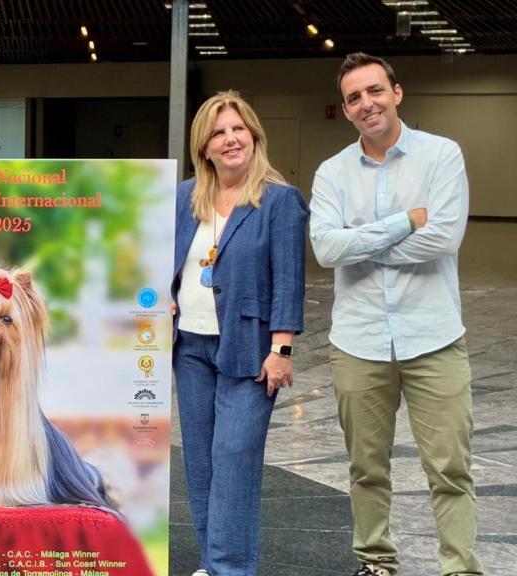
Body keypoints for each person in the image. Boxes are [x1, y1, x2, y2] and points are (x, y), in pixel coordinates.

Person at [310, 53, 482, 576]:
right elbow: (323, 249)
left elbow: (445, 237)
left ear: (397, 92)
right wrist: (406, 221)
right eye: (355, 98)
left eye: (375, 91)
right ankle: (377, 561)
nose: (367, 104)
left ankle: (460, 568)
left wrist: (359, 243)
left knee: (450, 468)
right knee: (366, 468)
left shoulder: (441, 156)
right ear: (345, 110)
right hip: (359, 343)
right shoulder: (332, 172)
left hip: (433, 337)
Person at [170, 91, 308, 576]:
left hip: (250, 351)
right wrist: (160, 293)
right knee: (202, 466)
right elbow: (166, 263)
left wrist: (282, 350)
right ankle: (212, 563)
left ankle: (230, 568)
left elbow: (289, 281)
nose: (230, 139)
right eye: (218, 132)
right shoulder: (184, 197)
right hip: (189, 348)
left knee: (233, 462)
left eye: (238, 128)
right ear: (203, 146)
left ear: (254, 135)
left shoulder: (279, 200)